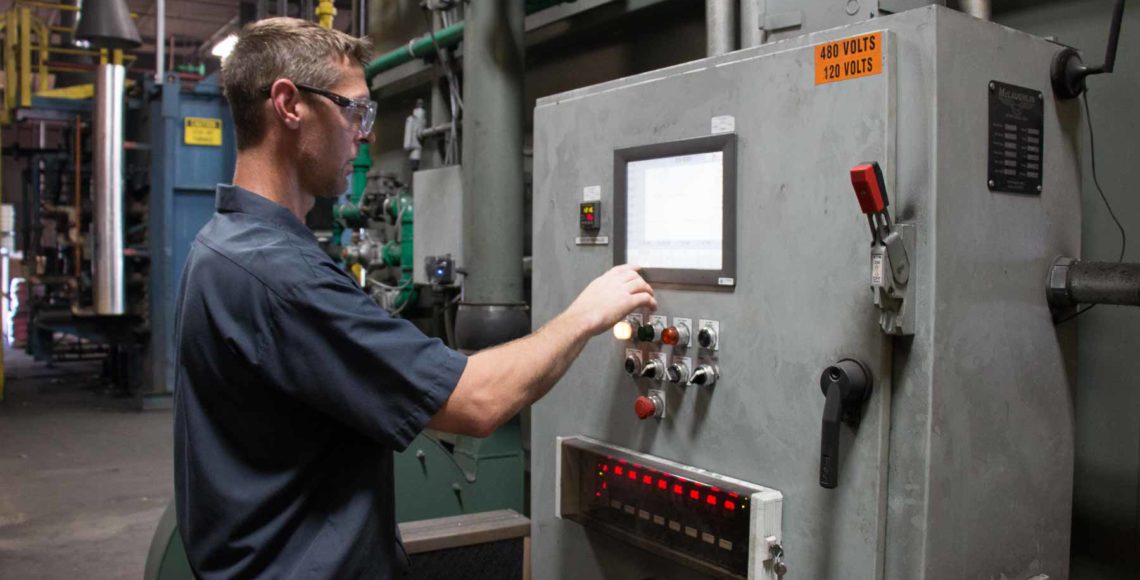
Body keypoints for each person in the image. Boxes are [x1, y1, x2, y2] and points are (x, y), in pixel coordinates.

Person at [172, 17, 655, 579]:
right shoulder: (281, 275)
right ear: (288, 104)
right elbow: (476, 402)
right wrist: (585, 315)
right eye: (353, 109)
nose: (364, 133)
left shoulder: (219, 246)